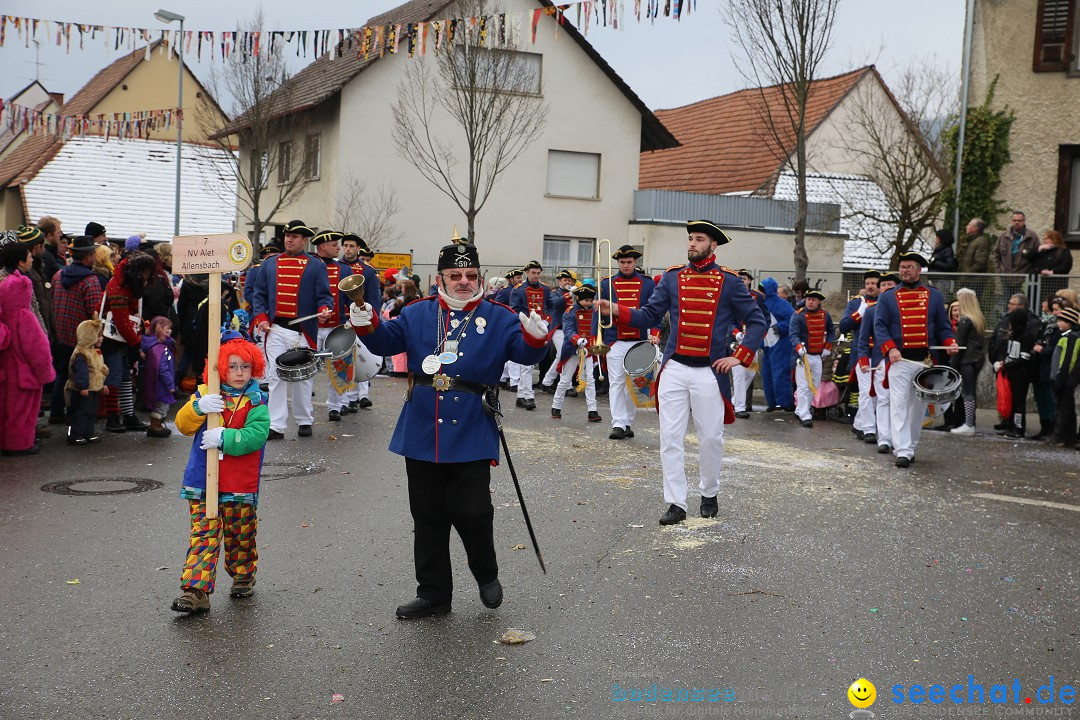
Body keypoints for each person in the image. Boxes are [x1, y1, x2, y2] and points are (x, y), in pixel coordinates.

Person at [348, 242, 550, 619]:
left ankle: (486, 573)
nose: (463, 282)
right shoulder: (417, 313)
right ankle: (434, 594)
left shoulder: (500, 316)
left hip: (472, 425)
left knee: (472, 510)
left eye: (470, 276)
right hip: (422, 426)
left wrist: (538, 339)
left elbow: (525, 353)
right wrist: (367, 321)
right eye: (455, 276)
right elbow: (386, 340)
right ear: (440, 278)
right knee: (427, 515)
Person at [597, 220, 766, 525]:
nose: (691, 244)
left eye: (698, 239)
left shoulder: (729, 282)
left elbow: (757, 321)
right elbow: (649, 314)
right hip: (674, 367)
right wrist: (618, 309)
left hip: (709, 371)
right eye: (690, 238)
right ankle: (675, 502)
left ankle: (709, 492)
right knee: (670, 438)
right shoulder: (673, 278)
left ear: (712, 246)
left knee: (711, 438)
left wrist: (739, 357)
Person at [170, 332, 270, 614]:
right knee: (204, 535)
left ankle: (242, 573)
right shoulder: (205, 393)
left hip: (239, 483)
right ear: (221, 368)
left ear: (254, 369)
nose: (239, 373)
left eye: (245, 367)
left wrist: (224, 438)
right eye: (233, 366)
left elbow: (256, 435)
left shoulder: (257, 401)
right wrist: (197, 408)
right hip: (203, 480)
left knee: (241, 534)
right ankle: (196, 591)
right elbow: (182, 424)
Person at [873, 252, 958, 467]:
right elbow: (880, 326)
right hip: (899, 360)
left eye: (909, 267)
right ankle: (901, 450)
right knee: (898, 404)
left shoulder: (934, 295)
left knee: (917, 408)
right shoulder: (888, 296)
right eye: (902, 267)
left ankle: (910, 446)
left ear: (919, 270)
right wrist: (890, 348)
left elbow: (942, 326)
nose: (904, 271)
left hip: (924, 361)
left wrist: (950, 342)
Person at [250, 220, 333, 439]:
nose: (289, 239)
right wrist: (261, 317)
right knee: (275, 377)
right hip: (276, 329)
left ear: (303, 240)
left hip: (303, 331)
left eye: (295, 236)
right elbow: (258, 294)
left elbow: (324, 296)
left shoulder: (316, 265)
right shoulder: (270, 264)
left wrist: (325, 309)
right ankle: (276, 425)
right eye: (287, 235)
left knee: (302, 377)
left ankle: (304, 420)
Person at [595, 246, 657, 438]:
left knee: (634, 383)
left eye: (629, 262)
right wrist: (594, 338)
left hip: (639, 339)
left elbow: (655, 311)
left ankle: (628, 421)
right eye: (622, 262)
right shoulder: (606, 284)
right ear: (618, 264)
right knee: (617, 383)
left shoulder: (647, 284)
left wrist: (655, 333)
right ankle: (618, 423)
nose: (626, 265)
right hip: (615, 340)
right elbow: (596, 314)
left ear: (635, 263)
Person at [0, 256, 55, 456]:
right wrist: (46, 374)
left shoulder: (3, 315)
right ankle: (19, 444)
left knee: (5, 410)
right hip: (24, 375)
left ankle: (5, 442)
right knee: (21, 413)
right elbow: (37, 351)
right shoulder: (25, 318)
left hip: (5, 372)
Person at [48, 236, 103, 425]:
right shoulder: (90, 280)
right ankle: (75, 416)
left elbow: (50, 301)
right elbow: (94, 314)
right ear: (87, 256)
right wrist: (97, 336)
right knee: (80, 378)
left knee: (61, 373)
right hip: (80, 339)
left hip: (59, 334)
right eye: (93, 252)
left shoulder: (58, 275)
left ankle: (56, 412)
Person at [101, 252, 157, 433]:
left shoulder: (125, 282)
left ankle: (128, 414)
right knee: (115, 377)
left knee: (125, 376)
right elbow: (122, 321)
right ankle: (112, 417)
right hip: (113, 339)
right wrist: (137, 343)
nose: (148, 276)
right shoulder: (118, 287)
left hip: (121, 338)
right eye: (147, 272)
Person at [312, 230, 355, 422]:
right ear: (322, 246)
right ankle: (305, 412)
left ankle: (336, 405)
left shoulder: (344, 270)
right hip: (312, 326)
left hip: (336, 325)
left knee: (338, 368)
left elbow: (350, 299)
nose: (339, 247)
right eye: (335, 244)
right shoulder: (310, 266)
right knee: (308, 370)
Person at [856, 271, 900, 451]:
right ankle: (884, 439)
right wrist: (864, 360)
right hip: (880, 361)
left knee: (900, 402)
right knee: (882, 400)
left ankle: (899, 440)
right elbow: (863, 339)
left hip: (902, 360)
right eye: (883, 285)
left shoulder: (904, 309)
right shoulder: (871, 311)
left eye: (891, 285)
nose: (886, 288)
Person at [339, 234, 382, 412]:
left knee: (362, 357)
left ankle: (362, 395)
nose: (348, 249)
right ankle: (346, 399)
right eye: (345, 246)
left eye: (351, 246)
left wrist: (373, 319)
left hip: (360, 319)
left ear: (358, 249)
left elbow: (374, 298)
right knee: (343, 360)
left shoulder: (367, 271)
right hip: (341, 319)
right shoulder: (336, 267)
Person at [990, 293, 1041, 438]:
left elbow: (1024, 357)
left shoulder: (1026, 336)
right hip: (1011, 372)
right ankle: (1010, 425)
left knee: (1019, 402)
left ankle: (1019, 427)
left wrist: (1007, 365)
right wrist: (1003, 363)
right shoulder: (1012, 335)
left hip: (1021, 374)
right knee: (1010, 400)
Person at [550, 283, 602, 423]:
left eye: (591, 301)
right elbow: (568, 330)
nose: (588, 303)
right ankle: (556, 406)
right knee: (566, 379)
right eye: (586, 300)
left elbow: (598, 327)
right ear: (578, 299)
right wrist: (577, 340)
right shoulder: (570, 312)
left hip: (589, 349)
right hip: (573, 349)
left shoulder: (595, 311)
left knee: (590, 379)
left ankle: (592, 410)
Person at [838, 270, 881, 439]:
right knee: (866, 392)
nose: (870, 287)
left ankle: (858, 424)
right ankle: (868, 430)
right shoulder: (857, 303)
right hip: (861, 353)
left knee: (877, 393)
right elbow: (843, 327)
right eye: (868, 283)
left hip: (879, 354)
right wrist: (858, 314)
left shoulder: (885, 303)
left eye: (874, 284)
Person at [789, 289, 835, 428]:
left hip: (818, 356)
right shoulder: (798, 316)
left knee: (814, 385)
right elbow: (793, 334)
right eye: (808, 299)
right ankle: (805, 414)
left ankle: (801, 409)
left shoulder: (825, 315)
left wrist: (828, 346)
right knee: (803, 386)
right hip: (804, 356)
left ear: (819, 301)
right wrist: (799, 347)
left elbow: (831, 331)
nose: (810, 302)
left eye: (814, 300)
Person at [510, 260, 553, 411]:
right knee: (527, 364)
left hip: (541, 328)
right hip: (526, 328)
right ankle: (528, 396)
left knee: (528, 364)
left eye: (538, 273)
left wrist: (547, 321)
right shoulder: (519, 289)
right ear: (526, 273)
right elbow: (514, 311)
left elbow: (551, 307)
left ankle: (521, 396)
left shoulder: (546, 289)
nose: (536, 276)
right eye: (533, 273)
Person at [948, 288, 987, 436]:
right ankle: (970, 423)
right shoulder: (978, 319)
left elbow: (959, 345)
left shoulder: (965, 320)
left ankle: (969, 424)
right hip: (977, 358)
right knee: (971, 392)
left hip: (967, 360)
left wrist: (952, 366)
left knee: (967, 393)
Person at [66, 315, 107, 445]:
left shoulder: (94, 351)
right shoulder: (81, 353)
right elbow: (81, 372)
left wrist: (101, 384)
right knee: (80, 411)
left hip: (93, 388)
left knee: (91, 411)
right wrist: (83, 386)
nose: (101, 338)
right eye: (99, 335)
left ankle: (88, 432)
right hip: (83, 389)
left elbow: (98, 369)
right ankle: (75, 434)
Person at [731, 270, 765, 418]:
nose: (742, 281)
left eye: (744, 278)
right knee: (739, 374)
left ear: (749, 281)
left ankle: (734, 401)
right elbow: (726, 319)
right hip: (736, 341)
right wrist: (735, 333)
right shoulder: (730, 295)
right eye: (739, 278)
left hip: (752, 340)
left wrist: (759, 335)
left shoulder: (758, 297)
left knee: (751, 372)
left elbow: (765, 317)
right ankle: (739, 407)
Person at [539, 269, 577, 393]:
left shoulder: (575, 293)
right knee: (564, 354)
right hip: (558, 328)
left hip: (571, 329)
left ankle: (547, 382)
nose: (567, 282)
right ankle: (568, 385)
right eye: (565, 280)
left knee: (561, 356)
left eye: (569, 280)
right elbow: (555, 303)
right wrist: (568, 295)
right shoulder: (555, 292)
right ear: (560, 282)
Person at [761, 278, 795, 411]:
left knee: (780, 373)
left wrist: (780, 327)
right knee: (767, 374)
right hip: (767, 344)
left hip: (781, 343)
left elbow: (793, 319)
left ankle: (785, 403)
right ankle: (772, 402)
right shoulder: (761, 303)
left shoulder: (781, 304)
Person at [141, 316, 177, 438]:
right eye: (168, 329)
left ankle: (156, 425)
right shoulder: (160, 348)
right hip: (161, 386)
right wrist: (170, 385)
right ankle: (155, 426)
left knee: (161, 406)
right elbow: (162, 369)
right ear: (160, 329)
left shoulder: (159, 347)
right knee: (161, 407)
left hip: (159, 385)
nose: (170, 331)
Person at [1051, 307, 1080, 447]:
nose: (1059, 323)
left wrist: (1062, 378)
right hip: (1063, 378)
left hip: (1065, 378)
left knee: (1064, 408)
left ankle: (1061, 436)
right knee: (1066, 407)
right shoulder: (1065, 336)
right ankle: (1068, 437)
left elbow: (1068, 360)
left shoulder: (1072, 338)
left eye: (1062, 320)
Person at [496, 268, 523, 390]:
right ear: (510, 279)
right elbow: (498, 307)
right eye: (517, 278)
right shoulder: (505, 292)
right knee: (510, 351)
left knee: (510, 351)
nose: (520, 279)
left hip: (520, 321)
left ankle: (503, 378)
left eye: (520, 277)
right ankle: (514, 381)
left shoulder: (522, 290)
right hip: (507, 323)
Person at [1025, 229, 1073, 297]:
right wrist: (1038, 249)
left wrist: (1052, 272)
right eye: (1044, 238)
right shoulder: (1041, 250)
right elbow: (1028, 256)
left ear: (1054, 239)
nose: (1044, 240)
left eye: (1047, 239)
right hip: (1036, 283)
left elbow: (1066, 265)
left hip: (1052, 284)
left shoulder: (1063, 251)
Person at [38, 215, 65, 285]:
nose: (61, 235)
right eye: (58, 232)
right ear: (49, 235)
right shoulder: (45, 255)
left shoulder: (50, 253)